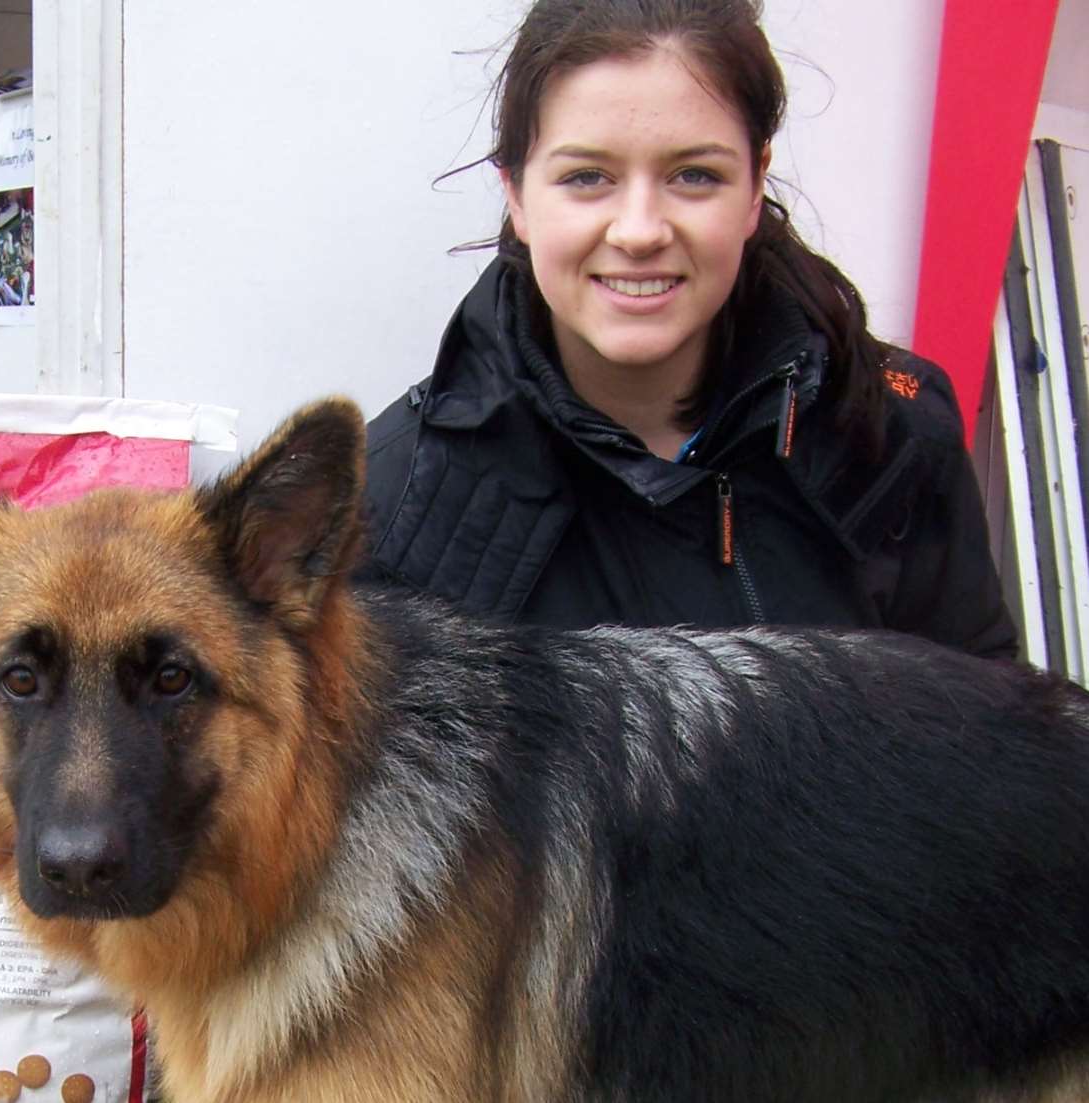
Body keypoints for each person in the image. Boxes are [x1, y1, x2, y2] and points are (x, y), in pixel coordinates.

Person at [362, 0, 1017, 659]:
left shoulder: (890, 435)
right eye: (587, 177)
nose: (640, 230)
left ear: (756, 186)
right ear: (517, 194)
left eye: (694, 175)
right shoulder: (390, 508)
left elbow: (988, 740)